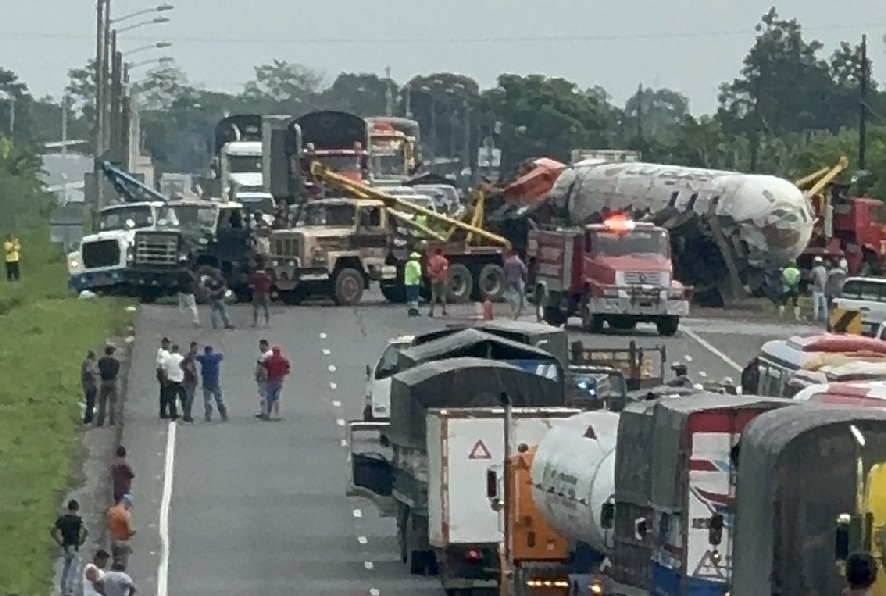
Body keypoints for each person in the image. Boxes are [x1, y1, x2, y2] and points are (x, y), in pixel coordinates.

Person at [52, 499, 88, 596]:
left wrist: (59, 541)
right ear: (76, 508)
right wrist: (82, 540)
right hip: (74, 545)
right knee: (73, 568)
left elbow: (53, 531)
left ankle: (63, 589)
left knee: (66, 567)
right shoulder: (78, 520)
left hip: (65, 545)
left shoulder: (62, 519)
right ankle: (69, 590)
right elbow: (85, 530)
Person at [197, 344, 228, 422]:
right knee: (219, 400)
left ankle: (208, 416)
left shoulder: (203, 358)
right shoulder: (215, 358)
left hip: (206, 382)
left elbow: (197, 357)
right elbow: (221, 356)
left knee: (207, 400)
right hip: (215, 382)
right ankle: (223, 415)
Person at [261, 346, 290, 420]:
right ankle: (276, 413)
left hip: (270, 380)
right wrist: (282, 375)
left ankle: (269, 413)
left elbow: (263, 366)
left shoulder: (269, 360)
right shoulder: (284, 360)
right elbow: (288, 370)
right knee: (277, 397)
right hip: (279, 381)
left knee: (269, 398)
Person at [106, 494, 136, 568]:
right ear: (127, 503)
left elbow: (108, 525)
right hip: (123, 542)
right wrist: (134, 532)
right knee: (123, 564)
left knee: (115, 561)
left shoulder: (111, 511)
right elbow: (130, 530)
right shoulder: (126, 514)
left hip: (114, 541)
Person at [95, 345, 120, 427]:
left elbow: (100, 369)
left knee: (102, 403)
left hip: (104, 382)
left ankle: (100, 421)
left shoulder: (101, 361)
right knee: (112, 402)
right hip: (112, 382)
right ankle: (112, 421)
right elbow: (116, 372)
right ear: (112, 353)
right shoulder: (116, 362)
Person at [161, 344, 186, 421]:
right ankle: (186, 412)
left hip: (171, 380)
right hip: (180, 379)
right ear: (178, 349)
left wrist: (165, 380)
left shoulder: (168, 359)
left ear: (172, 349)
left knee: (172, 398)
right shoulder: (182, 359)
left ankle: (173, 413)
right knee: (183, 397)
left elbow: (164, 370)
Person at [503, 250, 527, 319]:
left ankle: (512, 310)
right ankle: (522, 308)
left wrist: (505, 281)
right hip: (518, 280)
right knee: (521, 294)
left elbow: (505, 271)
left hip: (510, 280)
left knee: (511, 294)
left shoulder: (508, 262)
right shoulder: (519, 262)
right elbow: (524, 270)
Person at [427, 247, 449, 317]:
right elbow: (444, 270)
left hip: (434, 279)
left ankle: (431, 311)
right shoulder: (444, 260)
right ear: (441, 253)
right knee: (442, 295)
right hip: (441, 279)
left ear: (435, 252)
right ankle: (444, 310)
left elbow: (429, 270)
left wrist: (433, 275)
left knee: (433, 295)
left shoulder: (431, 260)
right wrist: (442, 277)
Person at [250, 260, 272, 328]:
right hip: (265, 293)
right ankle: (267, 323)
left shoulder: (255, 276)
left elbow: (251, 285)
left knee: (256, 308)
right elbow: (270, 281)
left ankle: (255, 323)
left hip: (256, 293)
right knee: (266, 308)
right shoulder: (266, 275)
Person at [181, 342, 199, 421]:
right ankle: (186, 415)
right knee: (189, 398)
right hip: (189, 380)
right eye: (195, 348)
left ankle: (187, 414)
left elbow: (181, 365)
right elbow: (186, 366)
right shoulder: (190, 357)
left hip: (189, 379)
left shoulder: (190, 356)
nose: (196, 349)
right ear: (191, 348)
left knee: (189, 398)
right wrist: (193, 373)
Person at [255, 339, 273, 418]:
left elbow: (262, 367)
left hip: (265, 378)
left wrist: (259, 376)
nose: (259, 347)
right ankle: (265, 411)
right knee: (264, 395)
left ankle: (265, 412)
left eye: (261, 345)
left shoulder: (267, 356)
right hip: (265, 378)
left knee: (264, 395)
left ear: (265, 345)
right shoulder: (268, 354)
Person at [82, 350, 99, 425]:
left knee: (90, 401)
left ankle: (88, 416)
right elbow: (88, 370)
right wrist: (95, 374)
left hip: (87, 384)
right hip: (90, 384)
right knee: (90, 401)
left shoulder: (86, 362)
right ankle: (89, 417)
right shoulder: (89, 362)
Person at [809, 256, 828, 322]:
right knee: (824, 304)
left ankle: (815, 317)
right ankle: (825, 316)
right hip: (824, 289)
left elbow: (811, 278)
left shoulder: (814, 269)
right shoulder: (824, 269)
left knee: (816, 304)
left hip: (816, 288)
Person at [404, 251, 422, 316]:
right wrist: (421, 281)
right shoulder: (416, 264)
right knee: (415, 297)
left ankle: (409, 310)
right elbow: (419, 274)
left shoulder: (408, 263)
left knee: (409, 297)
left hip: (407, 282)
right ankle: (415, 311)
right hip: (414, 282)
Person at [156, 338, 170, 419]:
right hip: (163, 372)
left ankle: (163, 411)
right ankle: (163, 412)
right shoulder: (163, 353)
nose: (168, 345)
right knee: (165, 392)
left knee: (164, 392)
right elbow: (162, 364)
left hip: (162, 372)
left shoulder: (161, 351)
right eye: (167, 344)